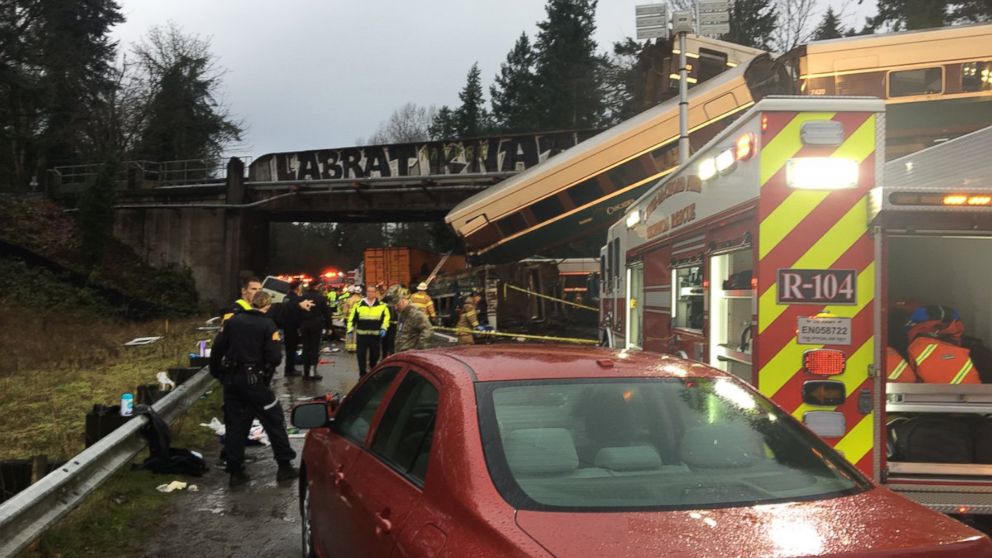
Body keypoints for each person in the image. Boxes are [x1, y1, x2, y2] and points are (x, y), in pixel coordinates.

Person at [210, 290, 298, 487]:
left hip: (232, 380)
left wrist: (217, 373)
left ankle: (235, 472)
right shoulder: (268, 325)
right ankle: (284, 466)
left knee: (235, 424)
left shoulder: (233, 321)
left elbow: (217, 348)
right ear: (267, 306)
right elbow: (275, 357)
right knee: (273, 418)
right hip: (254, 382)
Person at [347, 284, 390, 377]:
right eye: (368, 291)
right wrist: (350, 329)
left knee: (375, 355)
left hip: (375, 336)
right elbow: (352, 318)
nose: (370, 293)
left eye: (372, 291)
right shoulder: (358, 305)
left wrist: (384, 328)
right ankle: (362, 374)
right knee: (361, 356)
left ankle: (372, 372)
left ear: (376, 293)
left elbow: (386, 318)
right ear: (366, 293)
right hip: (361, 336)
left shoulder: (382, 306)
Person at [299, 280, 331, 381]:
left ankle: (305, 372)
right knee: (314, 348)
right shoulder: (321, 298)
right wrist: (329, 327)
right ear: (317, 286)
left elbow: (297, 312)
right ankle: (313, 372)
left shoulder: (302, 297)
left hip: (304, 324)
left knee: (306, 347)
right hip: (316, 325)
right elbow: (327, 313)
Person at [380, 285, 401, 357]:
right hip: (392, 325)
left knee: (385, 342)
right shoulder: (397, 302)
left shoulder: (384, 301)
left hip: (386, 324)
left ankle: (385, 356)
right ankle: (390, 356)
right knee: (391, 342)